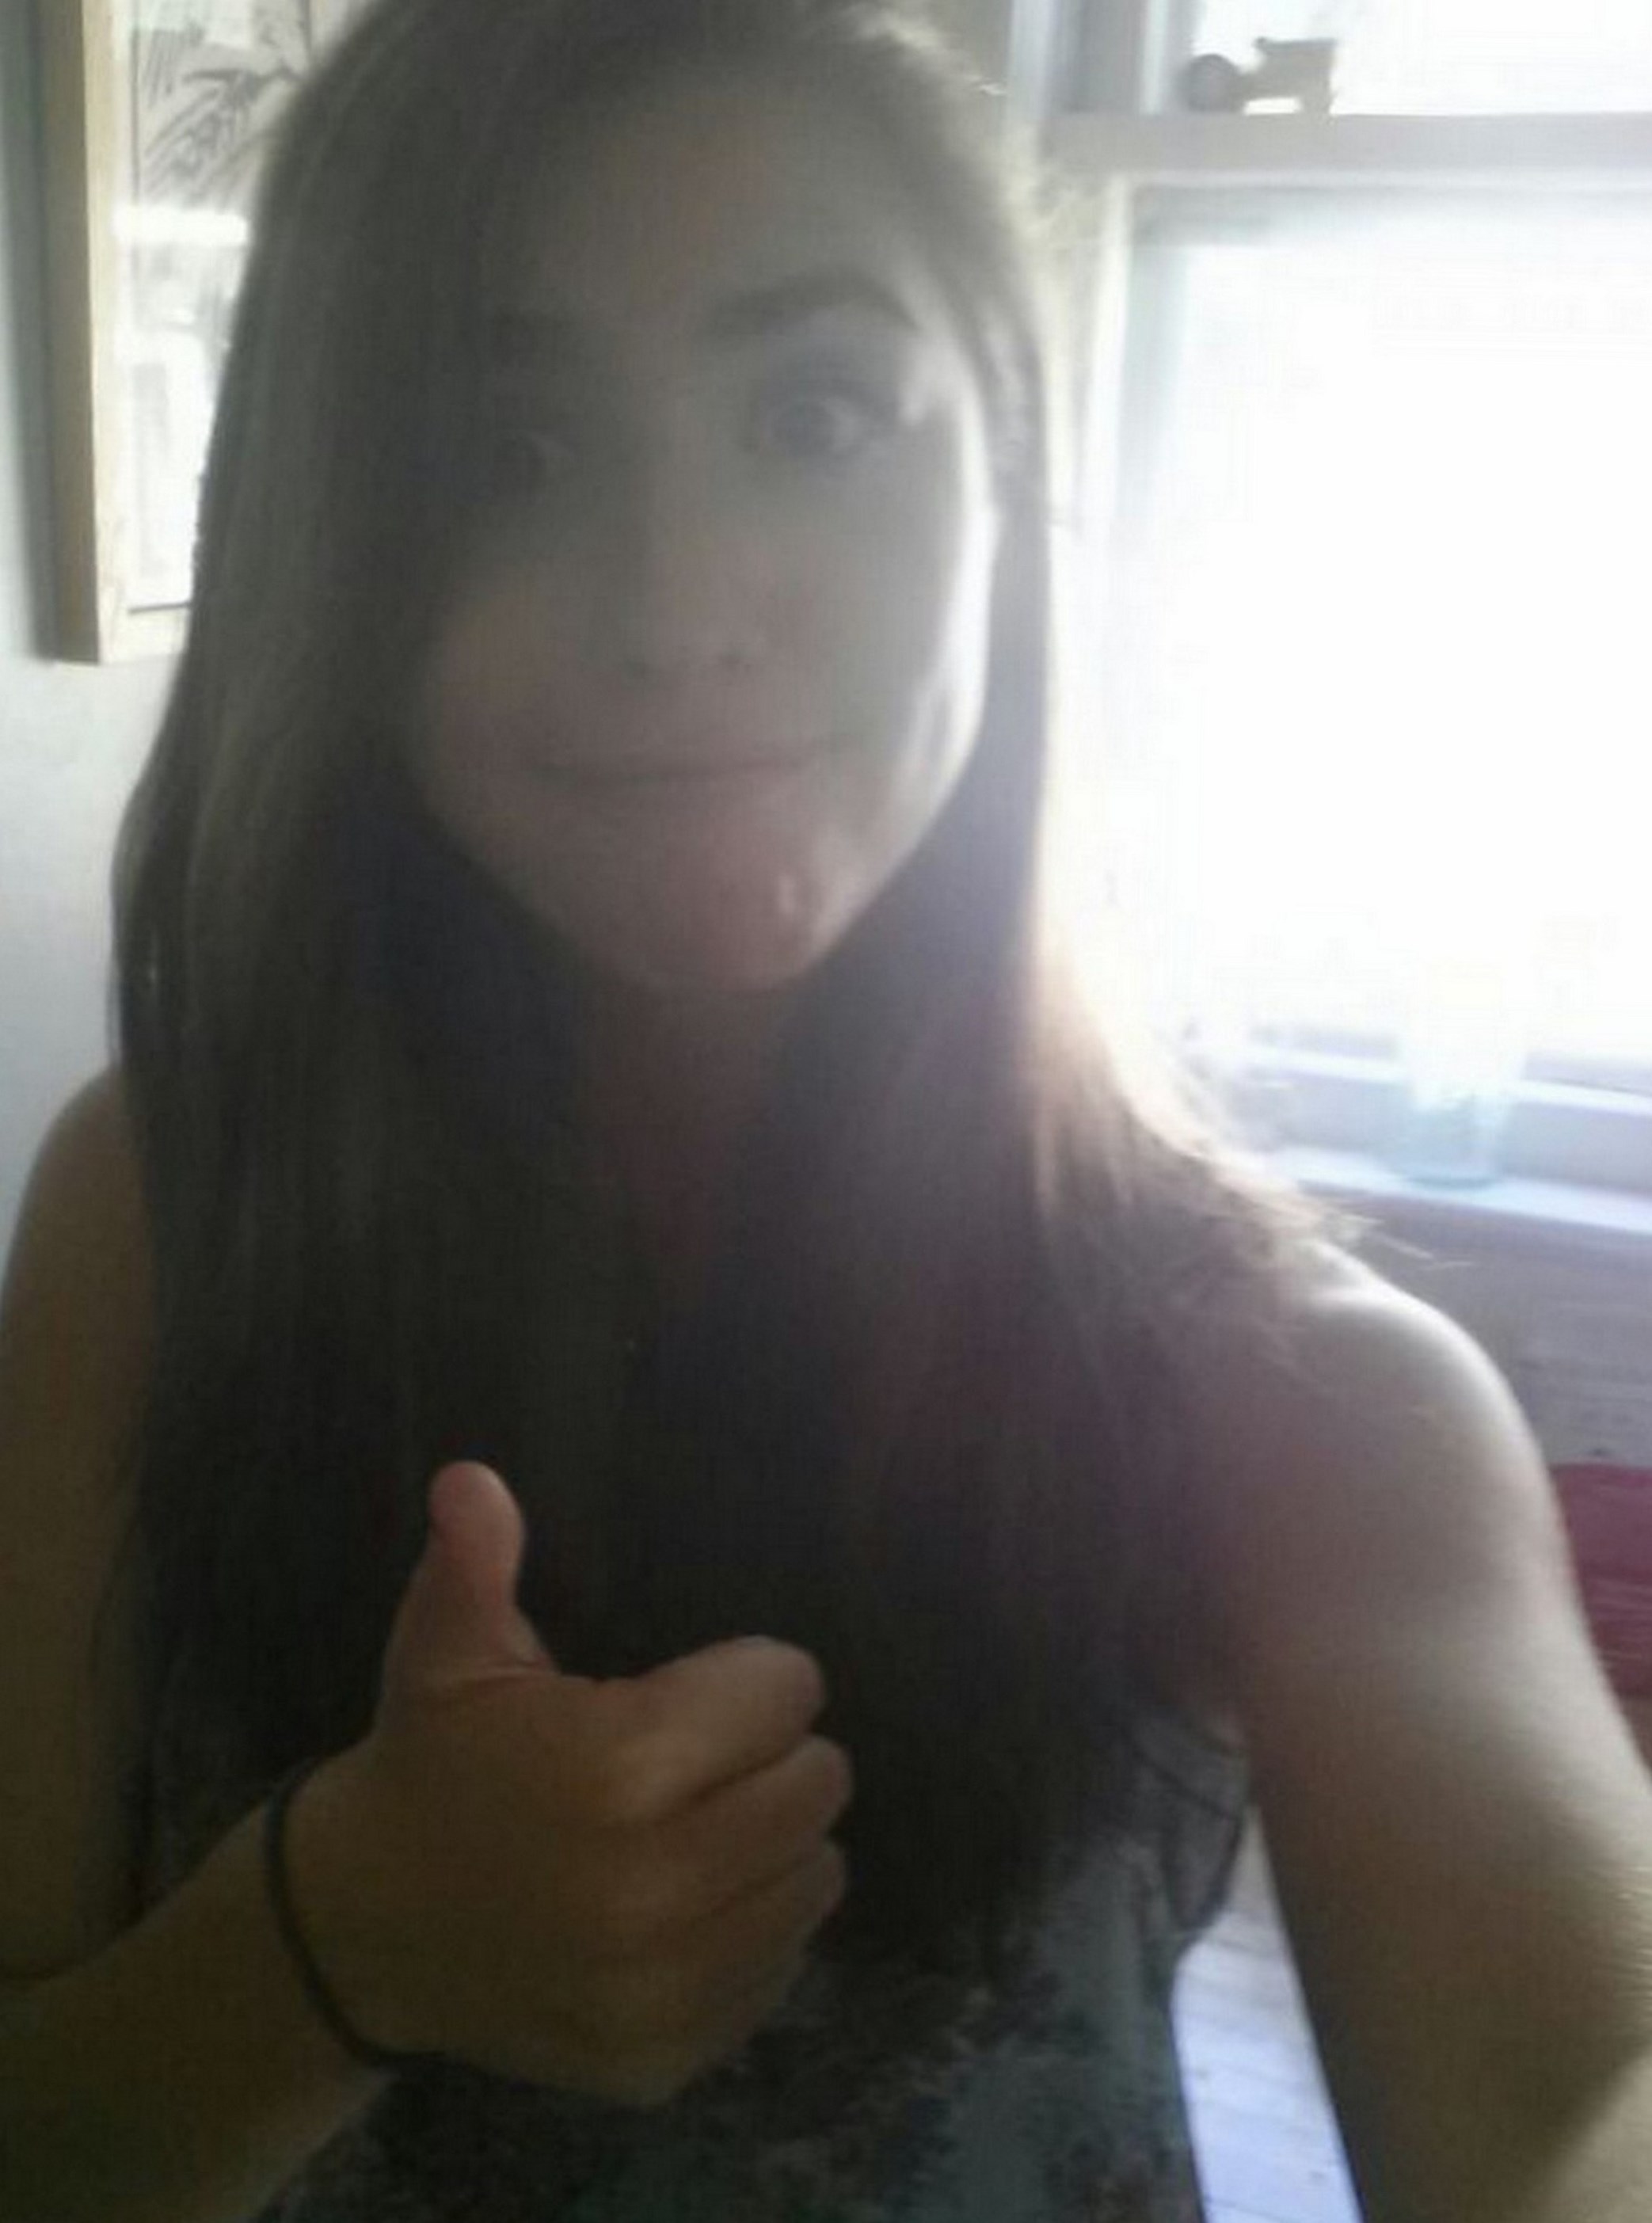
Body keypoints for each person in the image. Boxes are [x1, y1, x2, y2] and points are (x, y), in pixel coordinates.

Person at [3, 2, 1651, 2217]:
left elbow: (1580, 2102)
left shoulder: (1297, 1400)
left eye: (814, 413)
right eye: (510, 450)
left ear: (1009, 474)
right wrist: (314, 1961)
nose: (677, 615)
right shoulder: (159, 1222)